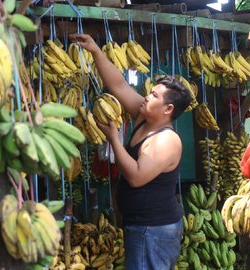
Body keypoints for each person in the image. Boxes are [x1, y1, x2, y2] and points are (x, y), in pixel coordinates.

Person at [70, 33, 192, 270]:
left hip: (154, 229)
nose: (147, 96)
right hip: (140, 226)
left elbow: (136, 176)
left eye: (154, 95)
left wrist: (114, 138)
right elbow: (118, 85)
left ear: (168, 109)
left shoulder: (168, 140)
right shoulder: (141, 116)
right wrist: (95, 50)